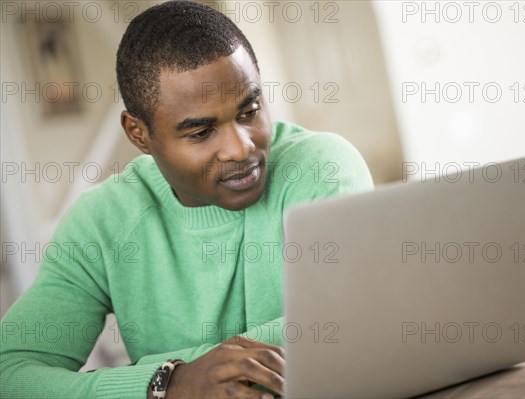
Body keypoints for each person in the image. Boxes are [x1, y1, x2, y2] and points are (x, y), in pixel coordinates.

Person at [0, 1, 373, 398]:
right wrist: (171, 383)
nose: (240, 148)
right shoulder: (101, 223)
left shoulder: (321, 168)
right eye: (200, 132)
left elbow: (353, 319)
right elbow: (12, 375)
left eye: (250, 110)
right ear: (138, 134)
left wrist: (160, 373)